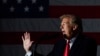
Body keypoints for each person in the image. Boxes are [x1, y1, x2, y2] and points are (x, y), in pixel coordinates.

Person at [22, 14, 97, 56]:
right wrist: (29, 51)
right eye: (61, 25)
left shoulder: (88, 43)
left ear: (74, 27)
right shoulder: (60, 44)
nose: (61, 27)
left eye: (64, 24)